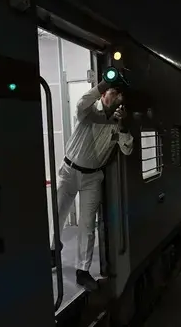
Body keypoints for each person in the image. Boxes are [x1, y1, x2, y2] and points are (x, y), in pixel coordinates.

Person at [50, 76, 133, 291]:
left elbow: (127, 149)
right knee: (57, 213)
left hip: (93, 178)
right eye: (111, 91)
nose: (114, 96)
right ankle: (52, 250)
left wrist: (123, 127)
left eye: (118, 94)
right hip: (69, 171)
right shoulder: (88, 113)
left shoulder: (117, 125)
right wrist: (103, 84)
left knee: (87, 225)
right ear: (103, 94)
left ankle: (82, 271)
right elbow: (80, 104)